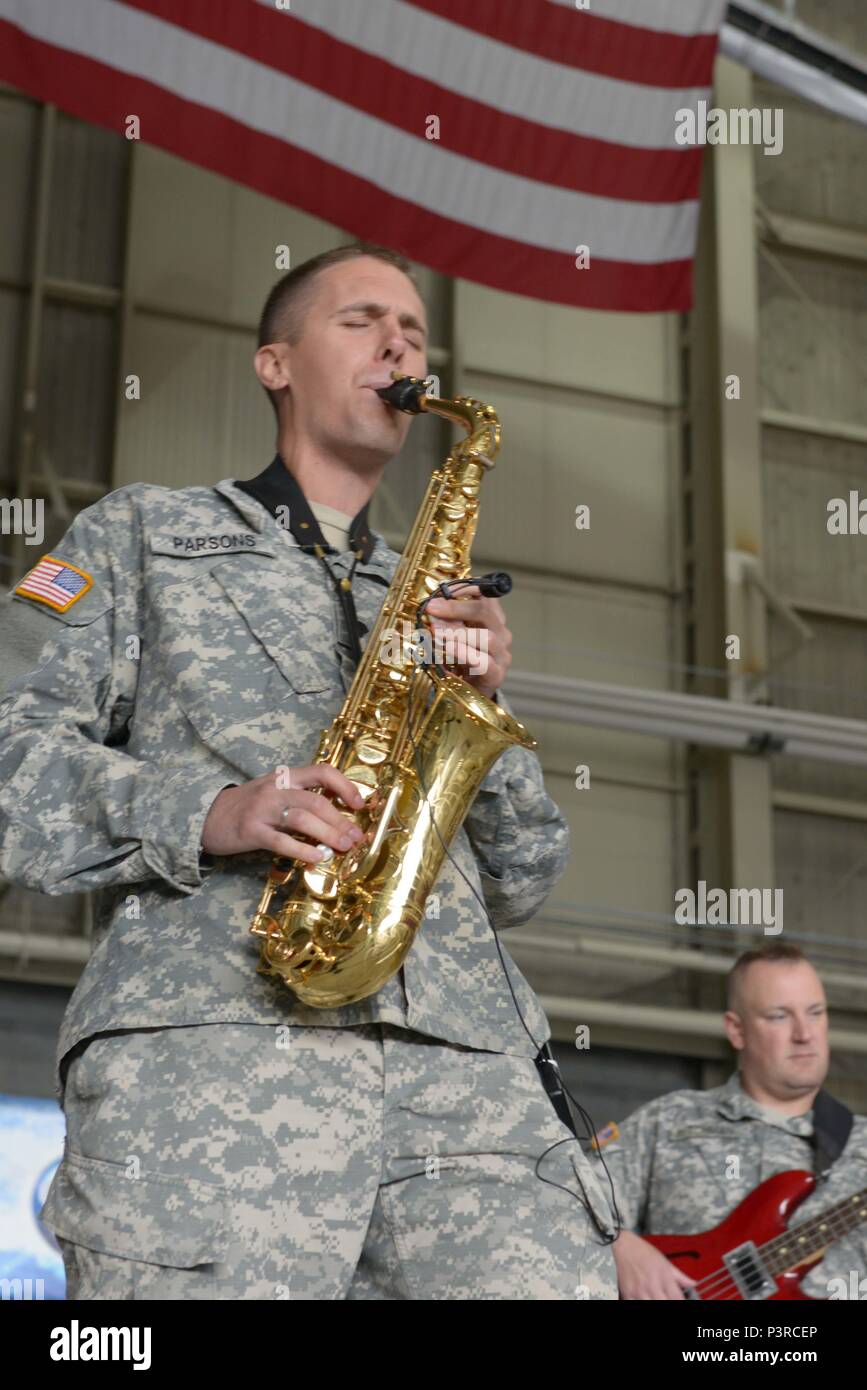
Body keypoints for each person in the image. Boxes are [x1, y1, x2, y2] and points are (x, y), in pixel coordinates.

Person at [0, 242, 617, 1300]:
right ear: (274, 363)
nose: (400, 345)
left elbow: (523, 875)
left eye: (416, 331)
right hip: (217, 1065)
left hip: (472, 1084)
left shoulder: (434, 596)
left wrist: (485, 697)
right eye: (363, 319)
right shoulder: (145, 532)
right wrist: (212, 811)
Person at [603, 942, 867, 1300]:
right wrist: (621, 1246)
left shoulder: (861, 1145)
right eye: (779, 1016)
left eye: (816, 1012)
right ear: (736, 1030)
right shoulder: (669, 1120)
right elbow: (569, 1197)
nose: (805, 1033)